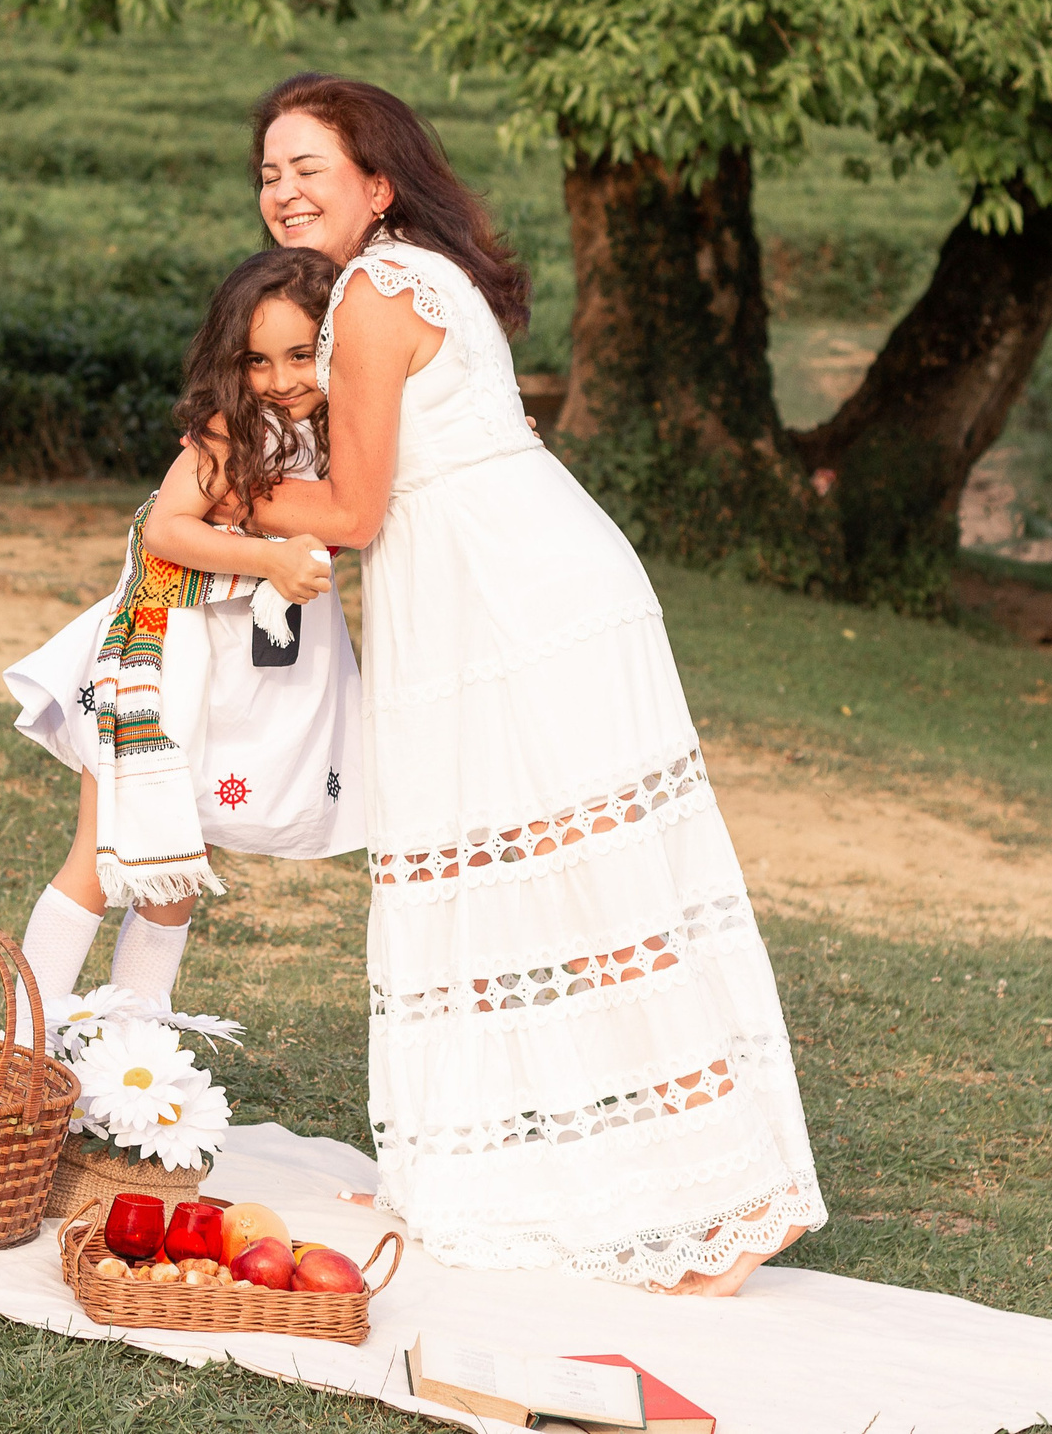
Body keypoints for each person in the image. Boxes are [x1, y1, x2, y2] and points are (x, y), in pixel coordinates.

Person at [243, 74, 826, 1296]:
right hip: (519, 588)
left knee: (585, 900)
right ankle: (534, 1178)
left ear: (377, 183)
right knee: (562, 891)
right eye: (269, 172)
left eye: (309, 168)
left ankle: (720, 1205)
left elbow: (348, 510)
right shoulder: (415, 273)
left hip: (511, 610)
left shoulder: (375, 291)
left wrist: (206, 490)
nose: (283, 191)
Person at [6, 247, 364, 1017]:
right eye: (257, 360)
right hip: (164, 657)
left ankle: (132, 1047)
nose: (281, 379)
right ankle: (21, 1043)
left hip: (242, 681)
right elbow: (168, 530)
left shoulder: (343, 431)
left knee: (176, 868)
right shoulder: (229, 432)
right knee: (100, 859)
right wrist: (265, 560)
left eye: (302, 353)